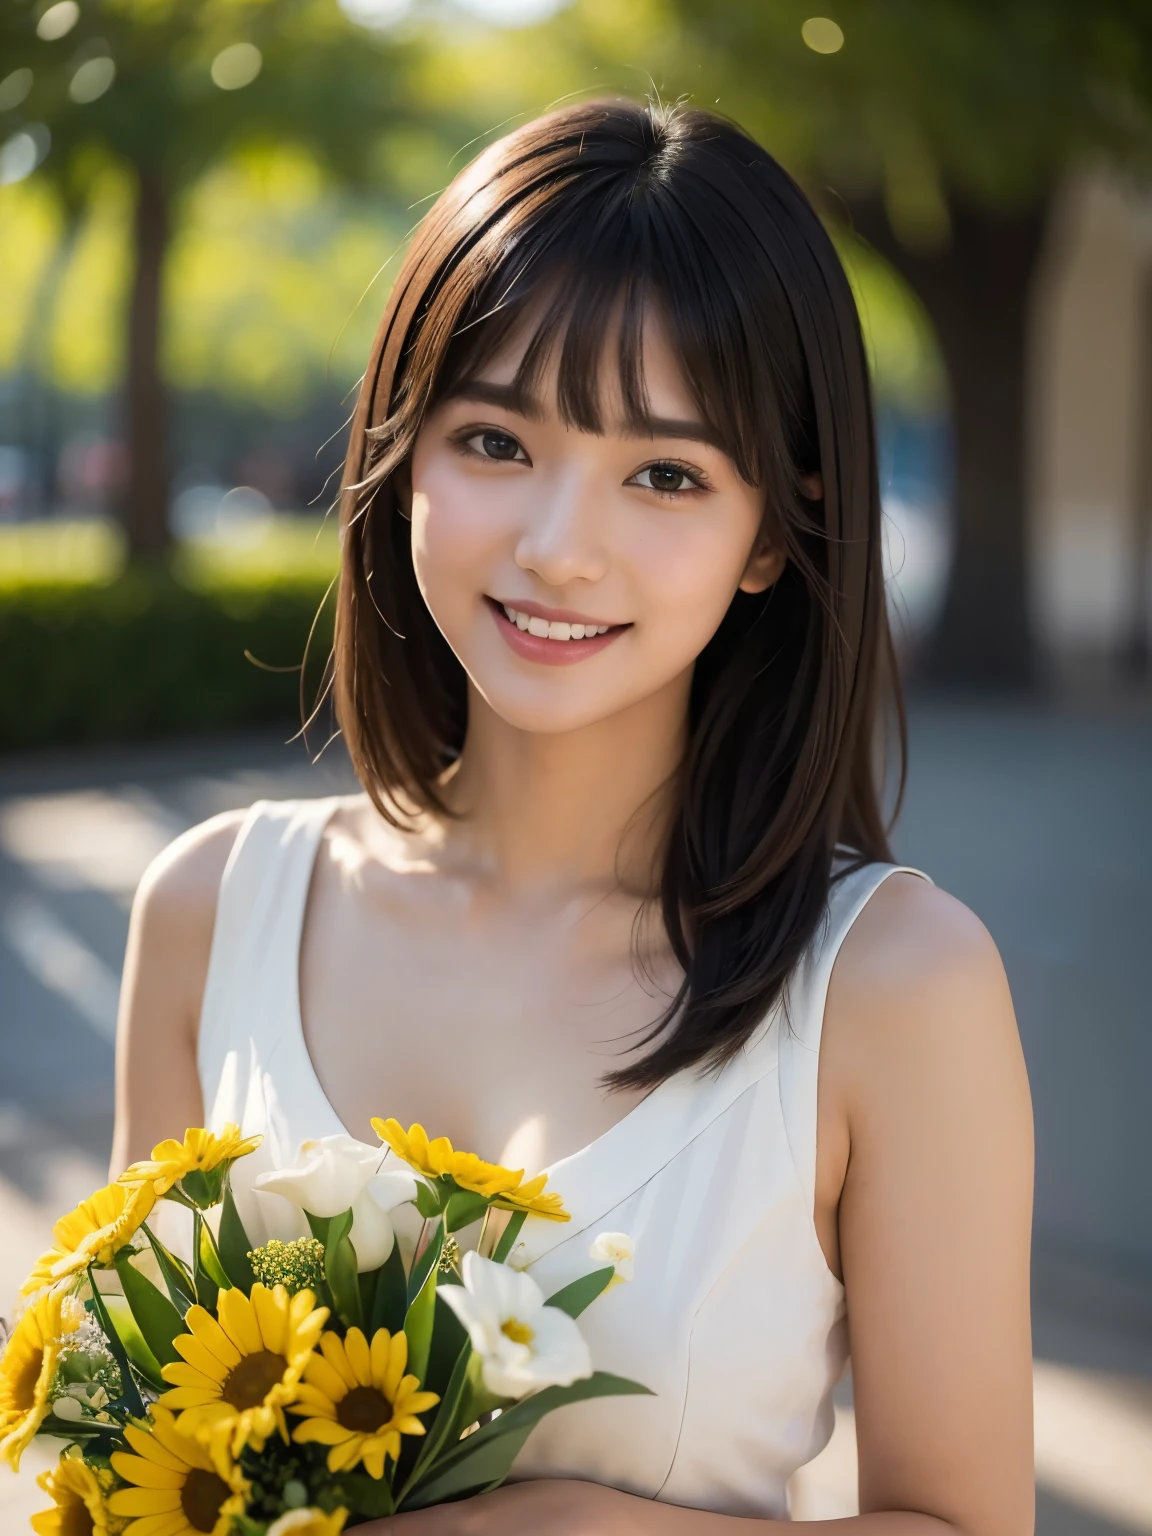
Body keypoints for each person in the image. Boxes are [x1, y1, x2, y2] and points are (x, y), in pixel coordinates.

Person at [111, 100, 1034, 1535]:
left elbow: (968, 1521)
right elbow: (121, 1452)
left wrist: (563, 1526)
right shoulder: (211, 913)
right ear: (404, 452)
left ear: (773, 537)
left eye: (665, 474)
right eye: (495, 442)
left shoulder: (894, 986)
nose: (557, 548)